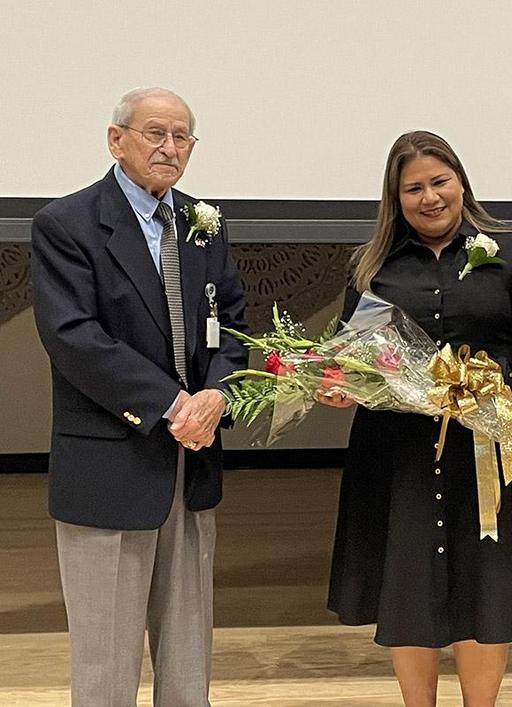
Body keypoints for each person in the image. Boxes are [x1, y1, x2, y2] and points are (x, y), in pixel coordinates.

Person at [321, 131, 512, 707]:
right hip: (396, 451)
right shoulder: (371, 266)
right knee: (407, 583)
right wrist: (335, 386)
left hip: (489, 446)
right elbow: (354, 357)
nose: (429, 197)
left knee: (487, 585)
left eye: (439, 182)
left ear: (461, 183)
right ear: (395, 198)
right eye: (413, 188)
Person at [30, 87, 247, 707]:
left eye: (182, 137)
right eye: (156, 133)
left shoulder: (205, 225)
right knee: (104, 664)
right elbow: (74, 338)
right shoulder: (66, 224)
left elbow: (230, 324)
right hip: (111, 461)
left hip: (193, 459)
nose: (170, 148)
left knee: (188, 662)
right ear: (116, 139)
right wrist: (173, 405)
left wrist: (216, 394)